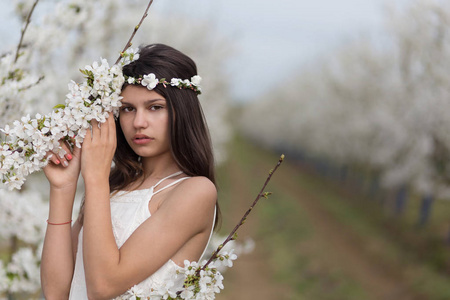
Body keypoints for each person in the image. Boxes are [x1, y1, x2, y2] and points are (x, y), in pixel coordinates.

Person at [40, 44, 219, 300]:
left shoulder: (195, 191)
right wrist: (62, 189)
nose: (138, 123)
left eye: (155, 107)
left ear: (183, 112)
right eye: (128, 109)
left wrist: (96, 178)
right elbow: (57, 293)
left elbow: (102, 287)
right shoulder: (115, 187)